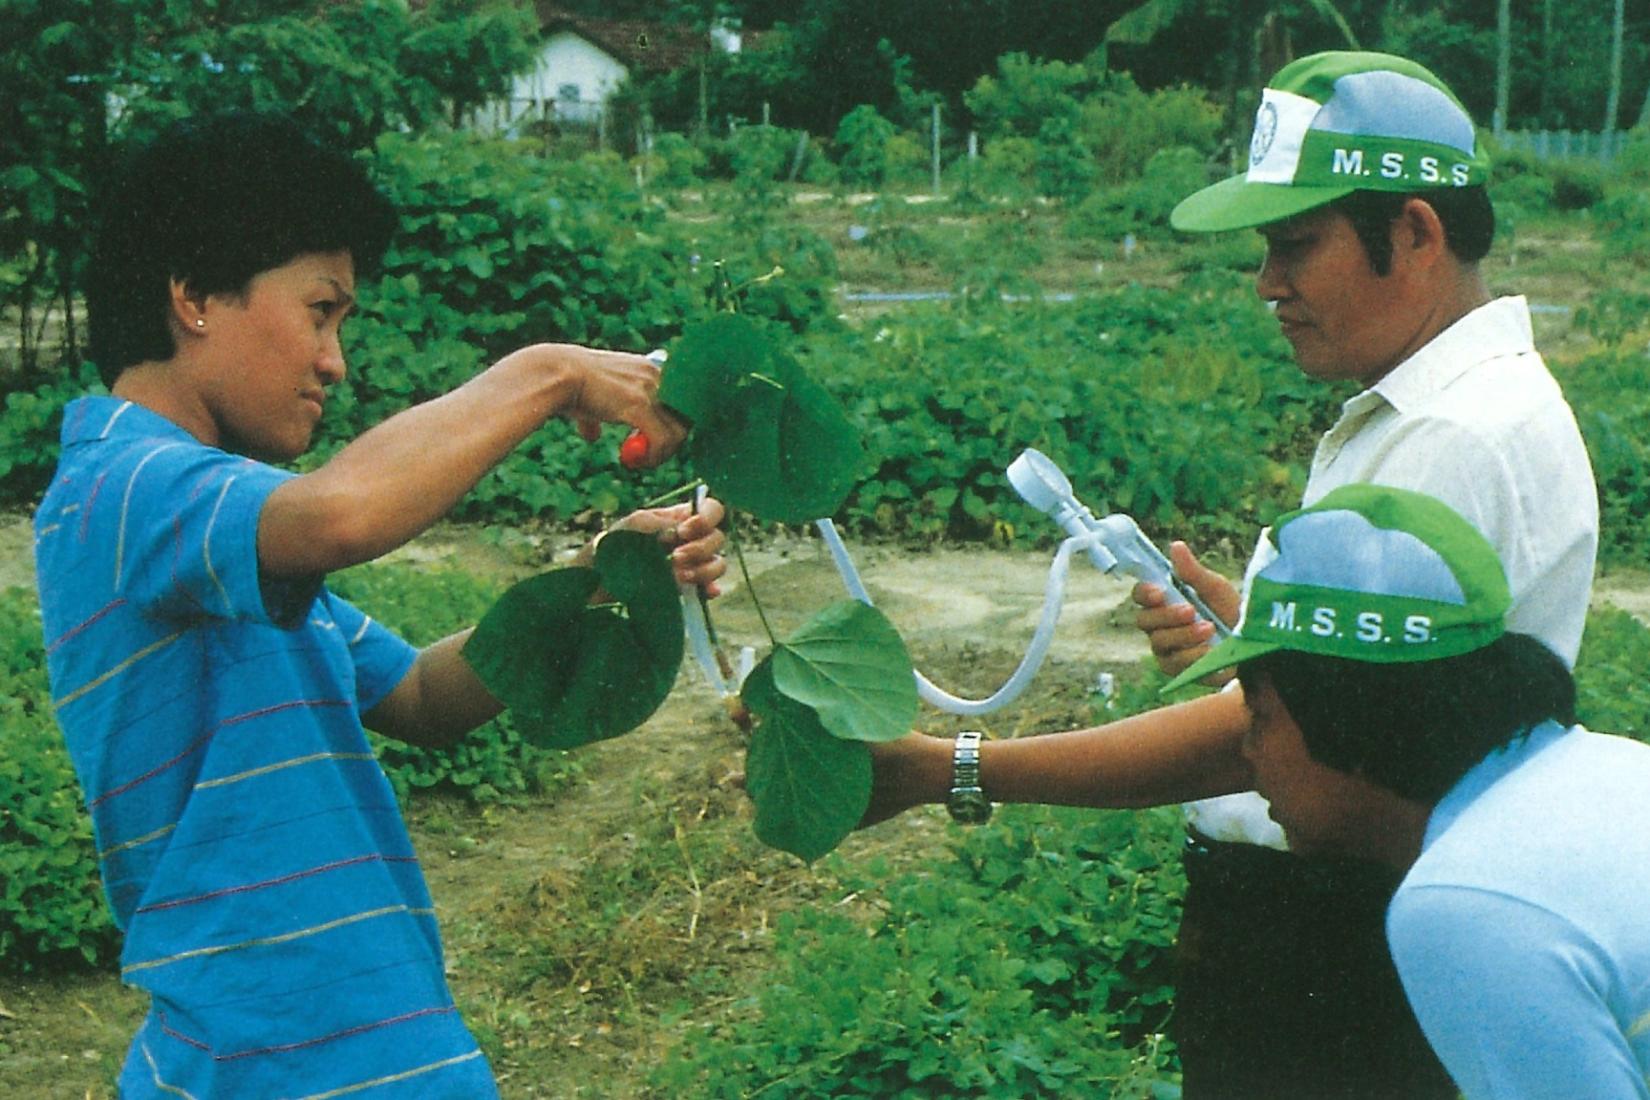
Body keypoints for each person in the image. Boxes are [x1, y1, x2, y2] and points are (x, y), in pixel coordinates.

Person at [864, 51, 1598, 1097]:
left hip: (1344, 941)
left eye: (1296, 244)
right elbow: (1388, 708)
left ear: (1418, 233)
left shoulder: (1453, 440)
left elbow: (1291, 749)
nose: (1267, 283)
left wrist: (953, 766)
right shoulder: (1433, 408)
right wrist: (1259, 651)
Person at [34, 111, 726, 1098]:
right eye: (321, 311)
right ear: (191, 293)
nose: (335, 362)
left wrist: (609, 570)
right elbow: (345, 513)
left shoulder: (227, 545)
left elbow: (421, 694)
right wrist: (550, 370)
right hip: (272, 1064)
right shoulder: (118, 487)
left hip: (368, 1053)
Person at [1159, 482, 1650, 1099]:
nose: (1249, 753)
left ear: (1346, 722)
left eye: (1258, 717)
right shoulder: (1610, 768)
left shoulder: (1463, 901)